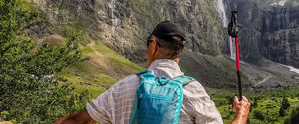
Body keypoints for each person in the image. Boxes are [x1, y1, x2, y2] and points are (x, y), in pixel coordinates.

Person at [54, 21, 251, 124]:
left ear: (154, 46)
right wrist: (241, 114)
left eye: (148, 43)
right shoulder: (193, 90)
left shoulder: (125, 86)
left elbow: (76, 121)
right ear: (179, 53)